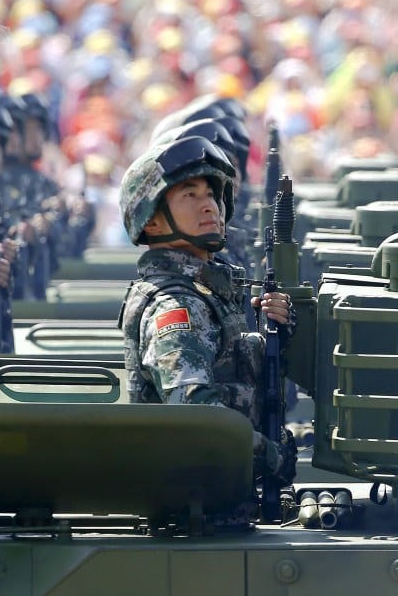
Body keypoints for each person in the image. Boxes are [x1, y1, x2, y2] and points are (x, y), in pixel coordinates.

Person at [116, 134, 297, 525]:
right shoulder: (176, 305)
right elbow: (197, 416)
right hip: (195, 522)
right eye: (189, 195)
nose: (209, 205)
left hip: (218, 513)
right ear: (152, 219)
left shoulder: (206, 292)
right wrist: (272, 455)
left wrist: (270, 341)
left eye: (212, 195)